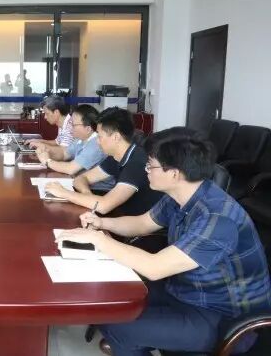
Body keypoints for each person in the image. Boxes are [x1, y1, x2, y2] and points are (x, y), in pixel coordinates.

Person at [58, 127, 271, 355]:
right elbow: (142, 223)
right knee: (110, 301)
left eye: (151, 165)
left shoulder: (217, 218)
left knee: (120, 327)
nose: (146, 170)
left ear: (174, 173)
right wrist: (102, 223)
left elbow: (155, 267)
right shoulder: (181, 195)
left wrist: (98, 239)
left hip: (222, 317)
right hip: (186, 291)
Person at [45, 107, 163, 216]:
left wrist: (63, 193)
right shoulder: (115, 156)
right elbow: (81, 178)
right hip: (122, 215)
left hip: (138, 225)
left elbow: (104, 206)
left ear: (116, 137)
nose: (97, 141)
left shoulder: (136, 162)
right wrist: (87, 194)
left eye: (100, 136)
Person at [36, 104, 114, 191]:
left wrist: (47, 161)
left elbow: (71, 169)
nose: (70, 127)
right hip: (79, 184)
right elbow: (64, 154)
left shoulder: (96, 144)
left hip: (97, 190)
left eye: (73, 124)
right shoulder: (80, 139)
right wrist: (46, 151)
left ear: (88, 129)